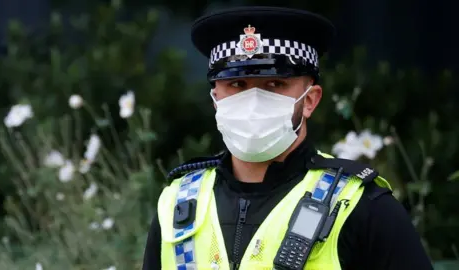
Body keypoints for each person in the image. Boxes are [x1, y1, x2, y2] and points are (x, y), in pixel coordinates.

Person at [142, 6, 433, 270]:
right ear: (216, 98)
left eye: (275, 84)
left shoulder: (363, 207)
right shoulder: (178, 203)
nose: (253, 100)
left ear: (310, 100)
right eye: (237, 84)